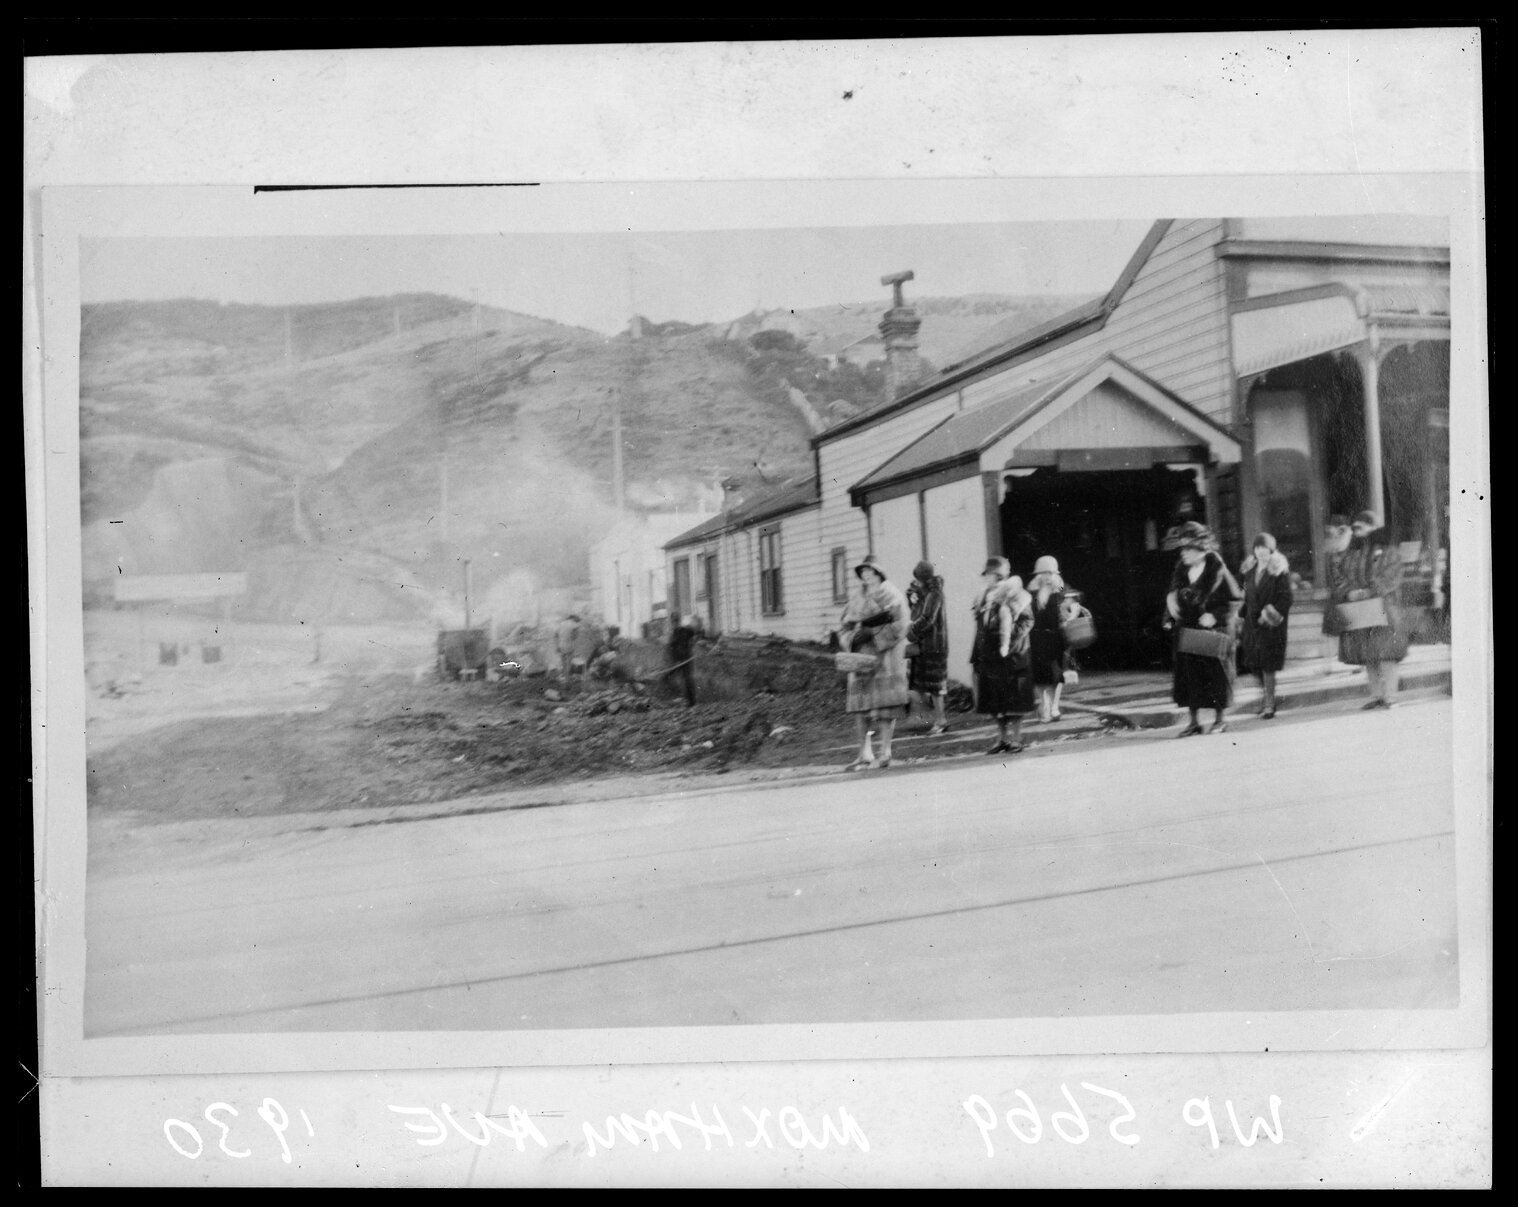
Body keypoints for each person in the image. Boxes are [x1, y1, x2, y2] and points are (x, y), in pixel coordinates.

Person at [1164, 521, 1242, 736]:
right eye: (1183, 549)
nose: (1184, 554)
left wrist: (1214, 615)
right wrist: (1170, 611)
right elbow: (1173, 596)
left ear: (1201, 549)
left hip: (1213, 631)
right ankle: (1194, 723)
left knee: (1215, 675)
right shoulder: (1181, 570)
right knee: (1189, 676)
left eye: (1188, 549)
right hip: (1188, 630)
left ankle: (1219, 720)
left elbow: (1235, 599)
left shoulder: (1217, 568)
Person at [840, 555, 912, 770]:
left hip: (885, 657)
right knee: (861, 707)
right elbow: (844, 624)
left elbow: (902, 623)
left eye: (871, 571)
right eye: (863, 572)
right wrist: (852, 637)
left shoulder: (892, 594)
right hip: (861, 658)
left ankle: (886, 751)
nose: (867, 575)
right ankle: (864, 752)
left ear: (879, 573)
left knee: (885, 707)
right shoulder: (856, 597)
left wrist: (873, 634)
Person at [1333, 509, 1408, 709]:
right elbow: (1339, 576)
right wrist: (1349, 592)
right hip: (1361, 610)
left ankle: (1390, 697)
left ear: (1374, 528)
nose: (1358, 532)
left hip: (1385, 609)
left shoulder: (1388, 551)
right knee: (1369, 655)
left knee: (1386, 654)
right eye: (1355, 528)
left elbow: (1392, 576)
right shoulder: (1351, 554)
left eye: (1362, 527)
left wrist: (1370, 590)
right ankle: (1376, 696)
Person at [970, 558, 1036, 755]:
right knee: (994, 701)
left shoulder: (1016, 595)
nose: (986, 578)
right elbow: (981, 628)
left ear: (998, 575)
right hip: (989, 656)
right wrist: (977, 654)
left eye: (988, 575)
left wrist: (1008, 639)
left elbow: (1027, 620)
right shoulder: (983, 596)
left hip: (1012, 655)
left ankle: (1016, 738)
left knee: (1014, 701)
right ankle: (1003, 738)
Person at [1238, 532, 1294, 719]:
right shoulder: (1250, 570)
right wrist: (1241, 616)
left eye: (1265, 548)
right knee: (1255, 664)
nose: (1261, 552)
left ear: (1272, 550)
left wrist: (1269, 615)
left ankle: (1269, 704)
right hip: (1251, 625)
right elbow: (1247, 597)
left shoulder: (1279, 570)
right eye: (1258, 548)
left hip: (1270, 626)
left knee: (1268, 665)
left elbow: (1286, 598)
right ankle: (1264, 700)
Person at [906, 560, 950, 735]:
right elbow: (916, 613)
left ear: (922, 578)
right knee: (926, 685)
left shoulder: (935, 594)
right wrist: (912, 600)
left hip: (935, 645)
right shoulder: (925, 593)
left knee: (936, 686)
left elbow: (927, 618)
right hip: (926, 645)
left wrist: (911, 632)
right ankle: (931, 720)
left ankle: (941, 721)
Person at [1027, 554, 1070, 724]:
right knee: (1040, 676)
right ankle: (1045, 706)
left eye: (1050, 573)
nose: (1047, 576)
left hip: (1057, 638)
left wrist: (1069, 611)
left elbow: (1071, 605)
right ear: (1038, 574)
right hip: (1037, 638)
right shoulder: (1031, 592)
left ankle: (1054, 707)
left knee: (1057, 675)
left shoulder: (1061, 589)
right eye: (1043, 573)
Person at [666, 613, 701, 707]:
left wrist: (693, 644)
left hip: (685, 659)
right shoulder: (677, 632)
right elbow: (671, 649)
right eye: (674, 621)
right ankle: (686, 700)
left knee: (687, 679)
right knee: (683, 679)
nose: (674, 623)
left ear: (676, 621)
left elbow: (697, 634)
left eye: (675, 621)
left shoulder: (683, 630)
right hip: (682, 660)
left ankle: (691, 702)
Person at [555, 613, 580, 680]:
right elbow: (575, 636)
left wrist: (557, 645)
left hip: (561, 644)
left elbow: (556, 635)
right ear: (574, 618)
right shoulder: (574, 624)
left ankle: (563, 674)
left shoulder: (561, 623)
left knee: (563, 660)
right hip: (569, 644)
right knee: (569, 660)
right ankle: (567, 676)